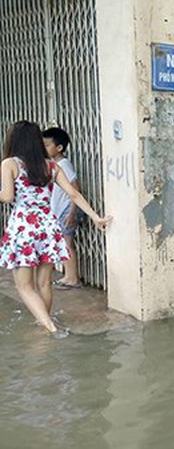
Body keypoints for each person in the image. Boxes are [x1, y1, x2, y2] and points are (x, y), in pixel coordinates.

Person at [0, 121, 111, 336]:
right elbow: (74, 194)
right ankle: (43, 323)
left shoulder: (10, 164)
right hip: (48, 226)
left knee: (24, 286)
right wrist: (96, 217)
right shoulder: (51, 165)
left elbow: (7, 197)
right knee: (44, 284)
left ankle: (50, 327)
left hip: (24, 226)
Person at [42, 127, 82, 288]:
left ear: (59, 148)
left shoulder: (64, 165)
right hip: (61, 209)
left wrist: (72, 213)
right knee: (64, 243)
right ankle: (68, 276)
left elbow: (76, 189)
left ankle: (72, 278)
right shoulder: (54, 164)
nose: (43, 148)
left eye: (46, 145)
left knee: (67, 243)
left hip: (67, 209)